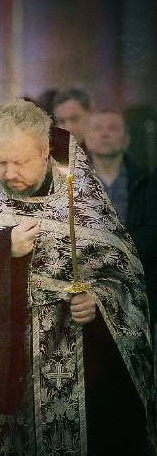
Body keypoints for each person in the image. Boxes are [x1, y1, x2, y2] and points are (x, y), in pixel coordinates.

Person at [0, 98, 156, 455]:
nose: (9, 173)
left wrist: (96, 299)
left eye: (20, 162)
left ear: (45, 150)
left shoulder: (82, 199)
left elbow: (124, 276)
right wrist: (2, 249)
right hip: (0, 357)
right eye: (0, 162)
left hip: (75, 357)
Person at [84, 109, 157, 338]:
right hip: (88, 294)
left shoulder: (145, 182)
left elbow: (152, 232)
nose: (105, 134)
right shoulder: (74, 183)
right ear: (87, 139)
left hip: (136, 293)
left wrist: (117, 254)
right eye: (98, 128)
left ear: (126, 140)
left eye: (113, 128)